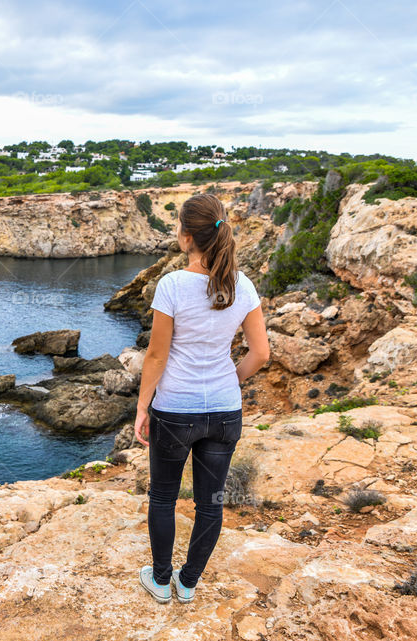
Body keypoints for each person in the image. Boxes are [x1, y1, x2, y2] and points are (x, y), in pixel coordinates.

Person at [134, 193, 270, 604]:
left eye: (177, 226)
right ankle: (188, 582)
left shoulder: (173, 284)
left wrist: (142, 407)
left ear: (188, 236)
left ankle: (160, 581)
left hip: (175, 410)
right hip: (225, 412)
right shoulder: (241, 285)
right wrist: (231, 377)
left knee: (163, 496)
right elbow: (261, 354)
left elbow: (157, 355)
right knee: (211, 503)